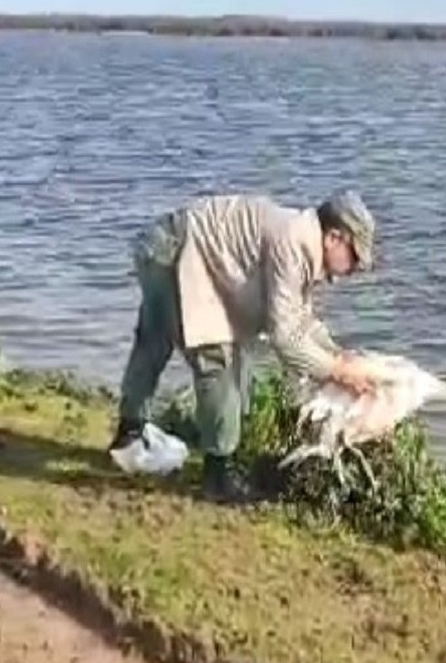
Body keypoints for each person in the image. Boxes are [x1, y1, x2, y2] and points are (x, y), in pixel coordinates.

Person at [107, 189, 379, 502]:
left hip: (164, 247)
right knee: (219, 361)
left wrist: (336, 355)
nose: (354, 268)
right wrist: (337, 372)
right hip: (174, 253)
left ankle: (128, 437)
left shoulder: (298, 238)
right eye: (355, 256)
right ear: (333, 238)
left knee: (153, 344)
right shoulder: (291, 242)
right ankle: (217, 478)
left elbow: (299, 319)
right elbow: (286, 337)